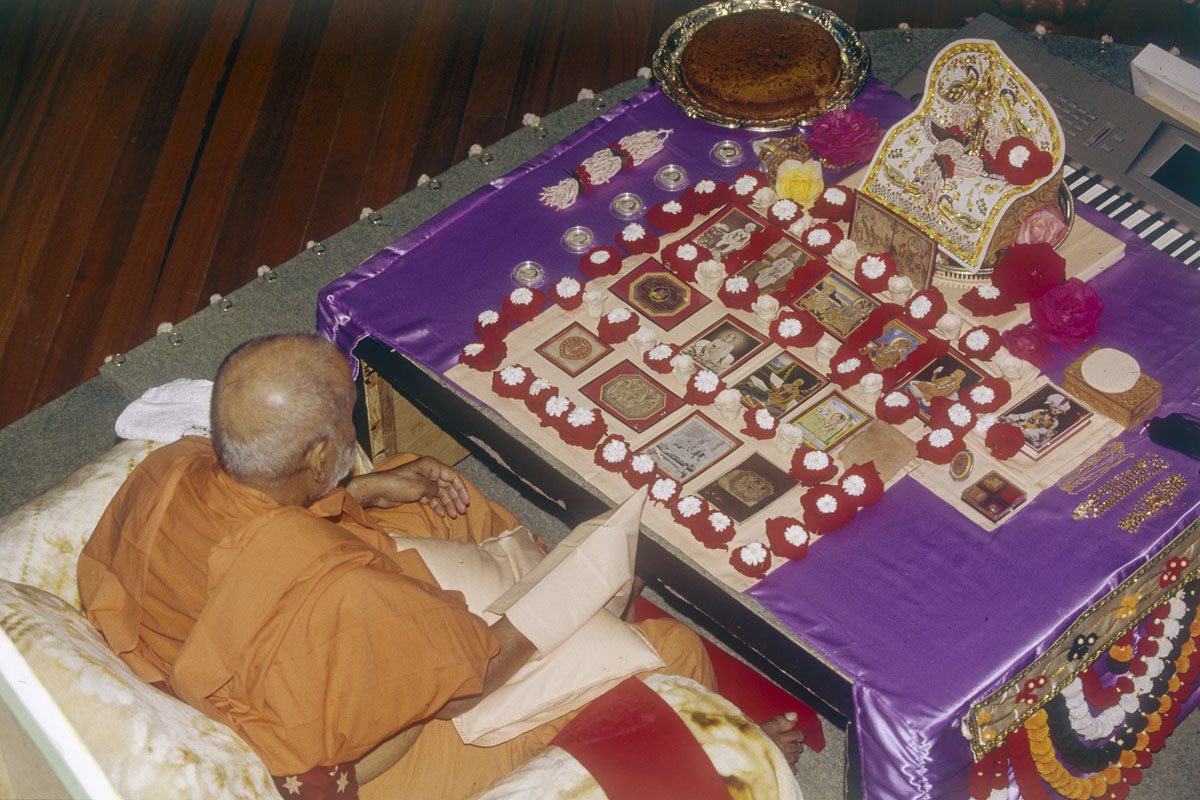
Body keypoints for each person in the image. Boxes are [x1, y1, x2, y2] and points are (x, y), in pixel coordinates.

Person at [78, 333, 803, 798]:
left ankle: (542, 576)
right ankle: (728, 761)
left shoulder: (171, 467)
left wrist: (364, 489)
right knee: (670, 650)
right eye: (345, 422)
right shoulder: (347, 594)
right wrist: (570, 594)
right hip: (368, 767)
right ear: (319, 456)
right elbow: (473, 674)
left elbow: (247, 537)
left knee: (440, 499)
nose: (351, 432)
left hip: (246, 642)